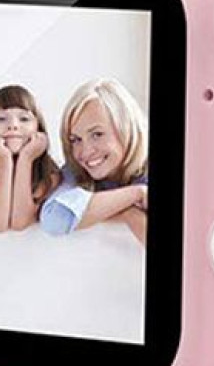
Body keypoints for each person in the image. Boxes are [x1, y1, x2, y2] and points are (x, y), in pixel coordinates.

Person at [40, 79, 148, 244]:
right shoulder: (75, 173)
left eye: (97, 134)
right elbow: (54, 220)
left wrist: (108, 209)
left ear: (126, 128)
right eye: (76, 139)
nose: (86, 152)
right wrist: (133, 200)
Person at [0, 85, 61, 232]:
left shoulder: (49, 171)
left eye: (24, 119)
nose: (13, 126)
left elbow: (20, 222)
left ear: (38, 128)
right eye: (1, 119)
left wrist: (26, 159)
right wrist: (4, 161)